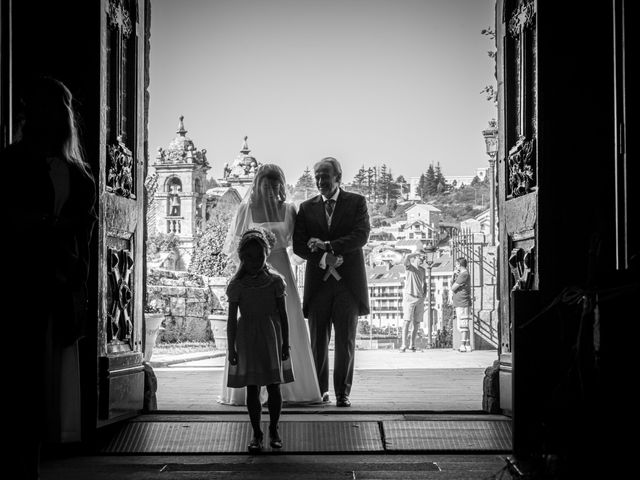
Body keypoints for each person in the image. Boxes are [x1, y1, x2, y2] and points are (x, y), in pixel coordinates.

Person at [3, 76, 97, 479]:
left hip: (52, 292)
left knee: (38, 394)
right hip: (17, 288)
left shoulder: (79, 178)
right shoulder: (11, 166)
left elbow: (84, 245)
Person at [218, 164, 322, 405]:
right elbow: (236, 246)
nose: (271, 190)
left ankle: (293, 389)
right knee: (251, 324)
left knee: (289, 320)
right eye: (266, 185)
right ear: (257, 185)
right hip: (253, 270)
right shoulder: (246, 209)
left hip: (282, 268)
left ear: (281, 187)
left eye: (275, 185)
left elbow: (299, 246)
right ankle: (248, 387)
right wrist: (249, 269)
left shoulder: (288, 210)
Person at [293, 157, 370, 407]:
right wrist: (326, 257)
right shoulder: (306, 208)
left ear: (338, 176)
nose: (319, 181)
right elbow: (299, 246)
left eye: (324, 176)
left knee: (346, 340)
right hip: (318, 286)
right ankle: (320, 391)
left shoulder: (357, 202)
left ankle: (343, 393)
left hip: (348, 285)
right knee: (318, 341)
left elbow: (361, 236)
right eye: (317, 176)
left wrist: (328, 246)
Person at [226, 228, 292, 452]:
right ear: (242, 258)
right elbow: (232, 320)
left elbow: (283, 315)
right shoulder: (237, 285)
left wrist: (285, 343)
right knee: (252, 387)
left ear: (267, 254)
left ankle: (274, 428)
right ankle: (256, 432)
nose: (253, 261)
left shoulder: (275, 282)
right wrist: (230, 348)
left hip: (271, 338)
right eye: (248, 257)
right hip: (247, 339)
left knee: (274, 386)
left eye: (258, 256)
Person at [400, 252, 426, 352]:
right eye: (421, 258)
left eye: (423, 259)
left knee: (416, 322)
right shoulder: (409, 267)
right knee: (407, 321)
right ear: (415, 258)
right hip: (409, 297)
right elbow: (406, 257)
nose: (422, 260)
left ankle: (412, 344)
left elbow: (425, 283)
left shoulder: (423, 270)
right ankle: (403, 345)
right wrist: (417, 253)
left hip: (420, 298)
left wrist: (424, 295)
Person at [451, 257, 472, 352]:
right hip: (460, 301)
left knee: (463, 324)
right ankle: (467, 344)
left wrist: (454, 278)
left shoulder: (464, 274)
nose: (455, 266)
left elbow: (453, 287)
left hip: (462, 301)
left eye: (456, 264)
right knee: (463, 323)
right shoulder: (462, 274)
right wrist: (453, 275)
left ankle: (463, 344)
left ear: (459, 264)